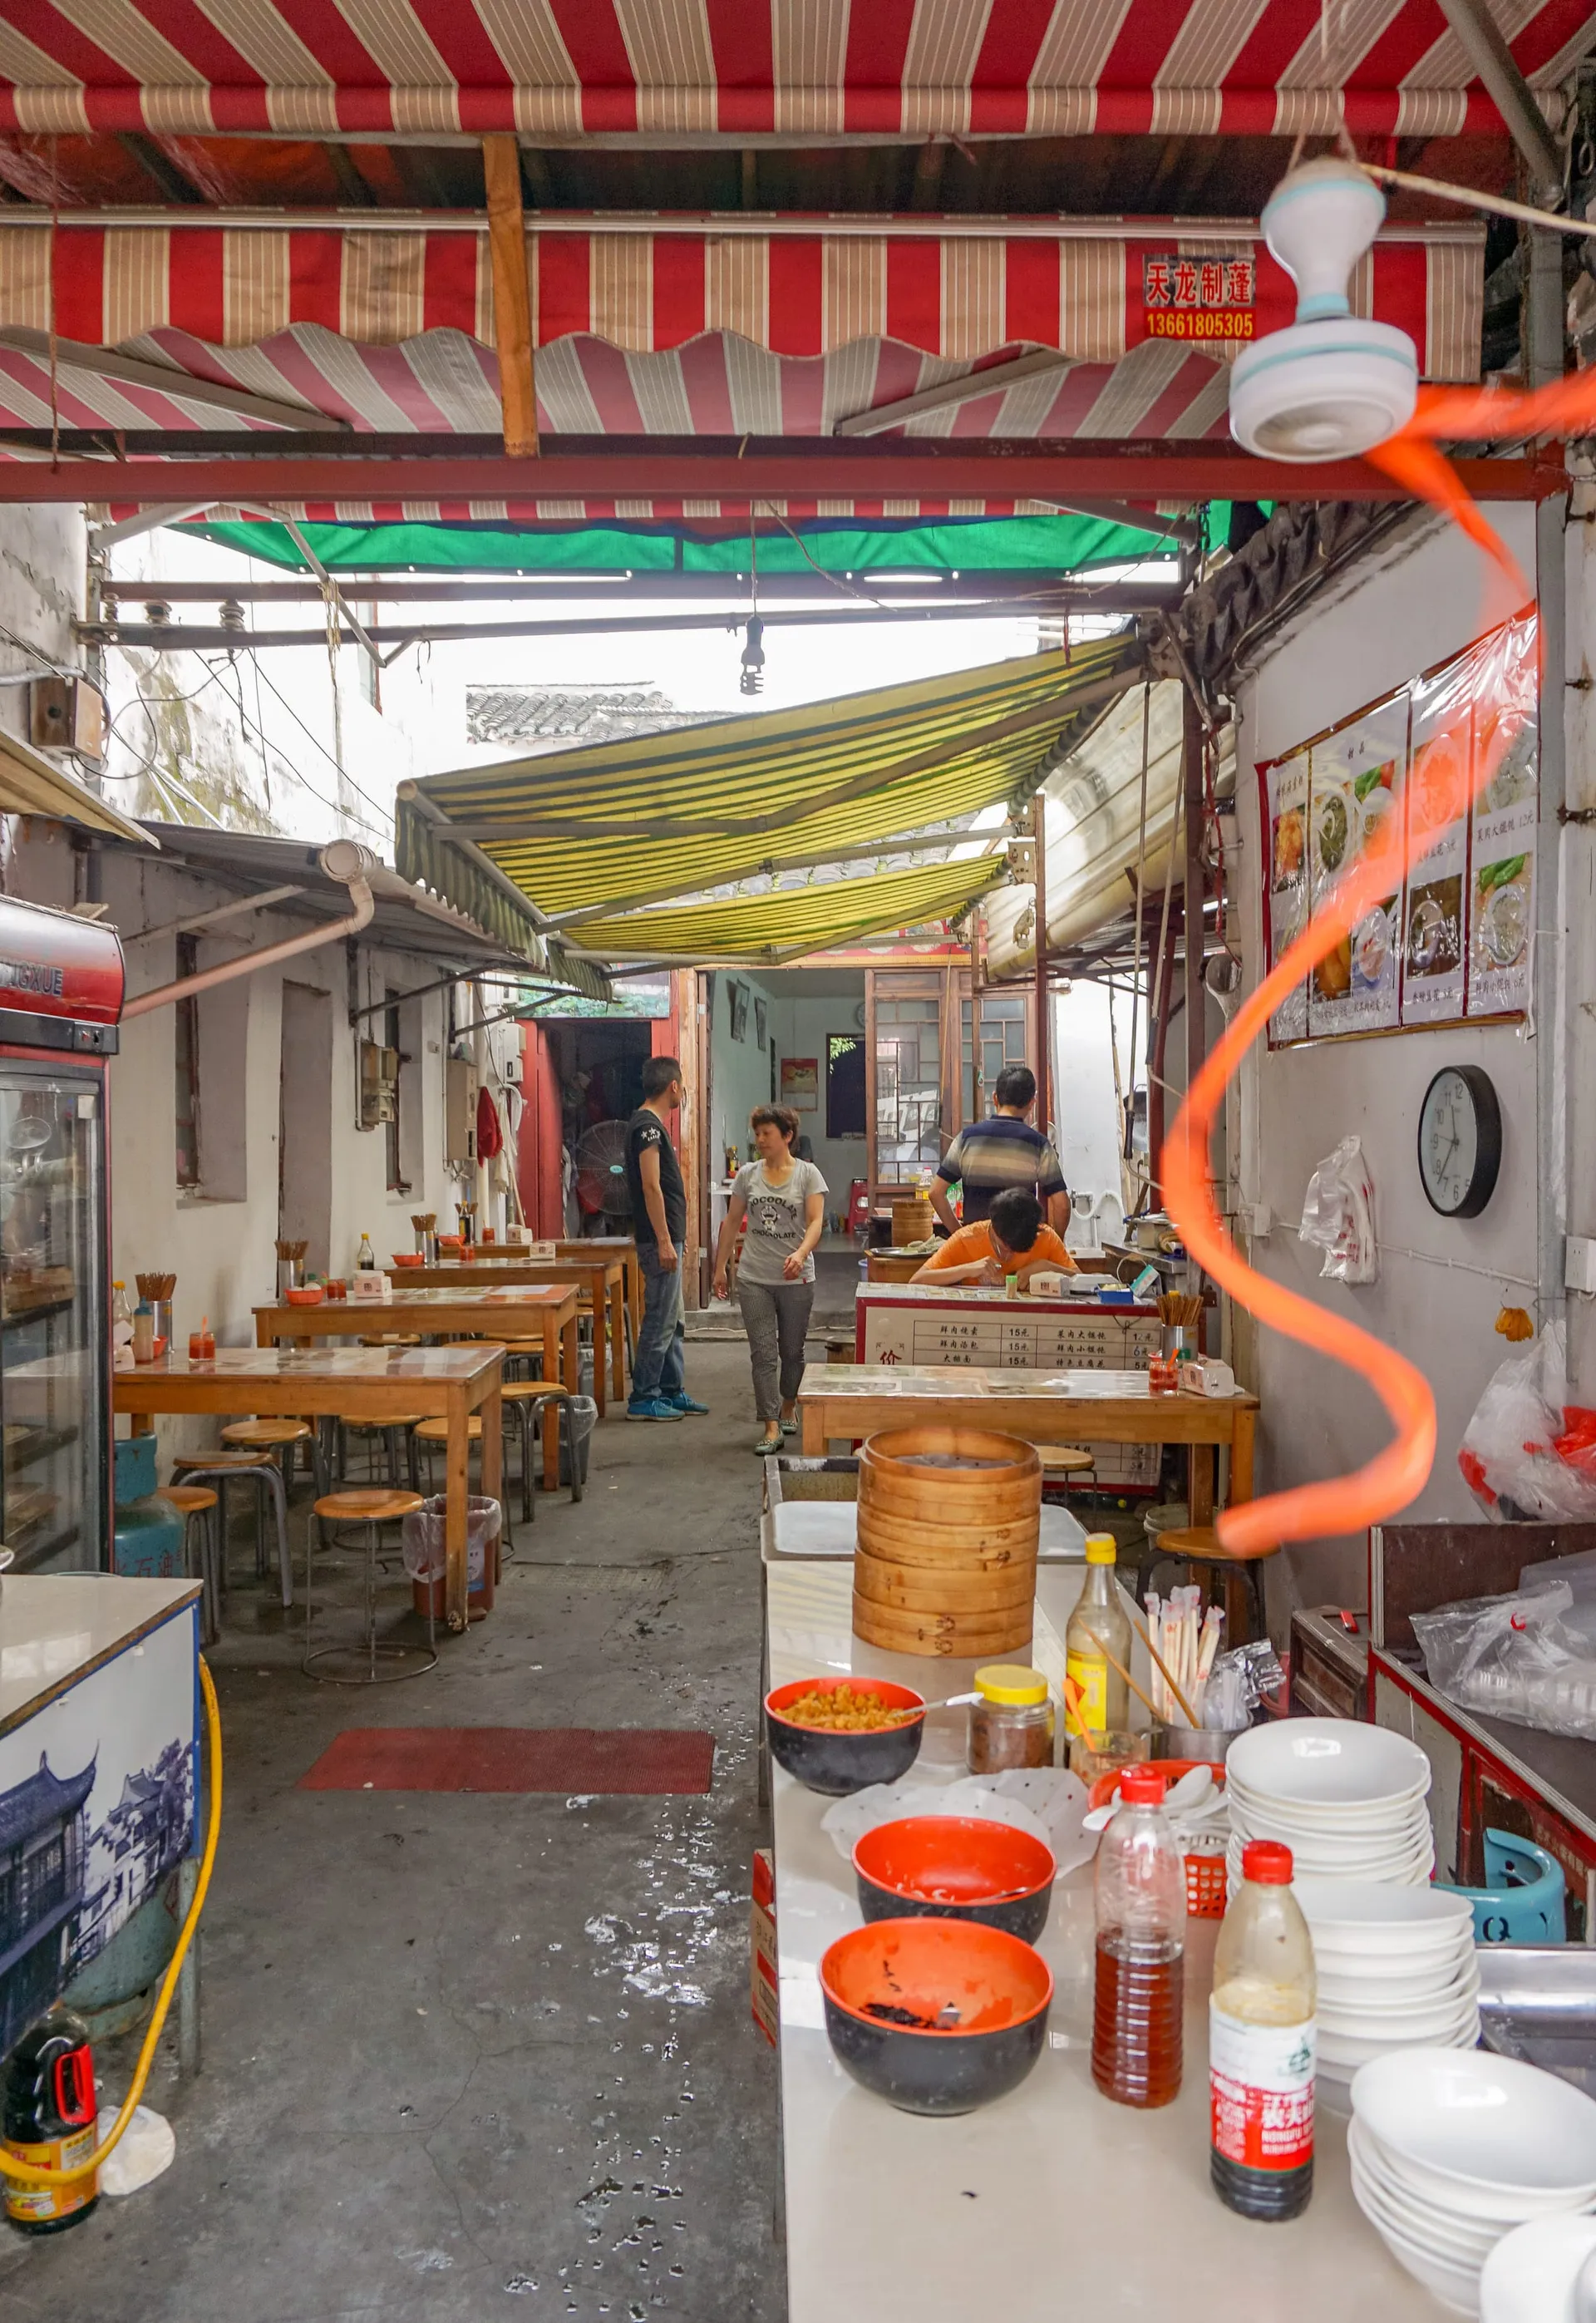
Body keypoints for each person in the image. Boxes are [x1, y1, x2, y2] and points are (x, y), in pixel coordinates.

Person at [712, 1106, 828, 1454]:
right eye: (758, 1134)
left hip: (796, 1279)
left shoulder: (808, 1175)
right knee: (762, 1354)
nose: (760, 1140)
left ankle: (789, 1405)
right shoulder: (748, 1175)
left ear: (787, 1136)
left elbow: (815, 1222)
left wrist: (800, 1254)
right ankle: (770, 1424)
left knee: (791, 1352)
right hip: (754, 1278)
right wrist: (720, 1268)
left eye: (767, 1134)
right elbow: (732, 1222)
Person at [623, 1056, 708, 1422]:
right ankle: (644, 1396)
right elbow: (651, 1186)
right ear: (673, 1086)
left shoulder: (652, 1125)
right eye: (683, 1083)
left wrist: (675, 1236)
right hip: (657, 1238)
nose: (683, 1090)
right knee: (659, 1318)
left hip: (668, 1235)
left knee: (673, 1319)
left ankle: (671, 1391)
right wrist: (662, 1239)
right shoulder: (647, 1127)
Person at [933, 1063, 1071, 1237]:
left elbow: (935, 1192)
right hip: (1022, 1250)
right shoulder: (1038, 1145)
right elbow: (1062, 1206)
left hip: (977, 1251)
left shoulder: (966, 1139)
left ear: (995, 1098)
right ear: (1031, 1103)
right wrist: (1056, 1244)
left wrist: (960, 1235)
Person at [912, 1186, 1074, 1290]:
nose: (1008, 1257)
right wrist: (967, 1269)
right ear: (993, 1227)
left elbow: (1084, 1281)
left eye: (1017, 1252)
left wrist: (1046, 1267)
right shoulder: (967, 1238)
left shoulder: (1045, 1236)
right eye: (1004, 1248)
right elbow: (916, 1281)